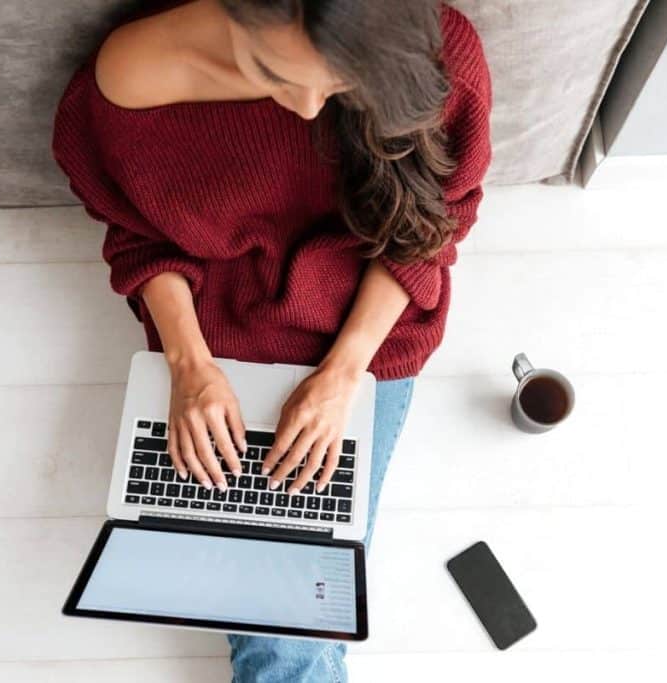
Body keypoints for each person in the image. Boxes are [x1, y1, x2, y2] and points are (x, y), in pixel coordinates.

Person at [52, 0, 491, 679]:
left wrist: (343, 374)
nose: (311, 109)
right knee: (291, 625)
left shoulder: (427, 51)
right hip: (217, 341)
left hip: (366, 335)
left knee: (287, 629)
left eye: (336, 84)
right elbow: (136, 232)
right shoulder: (132, 78)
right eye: (274, 72)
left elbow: (432, 228)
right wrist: (189, 365)